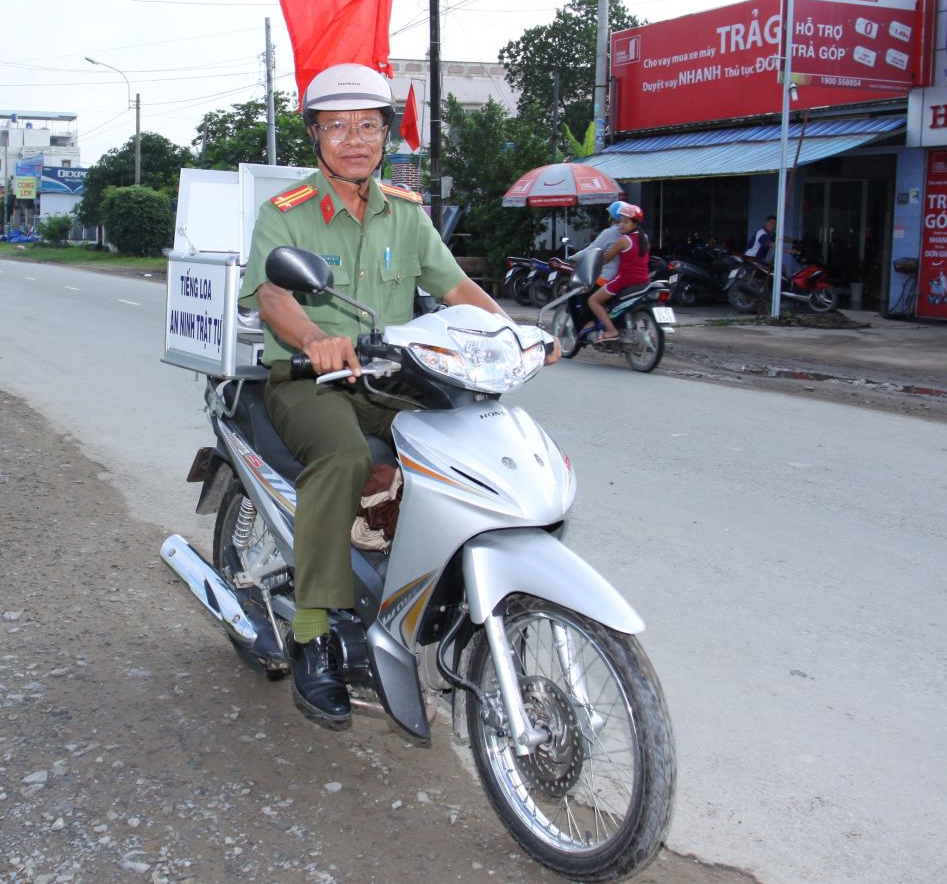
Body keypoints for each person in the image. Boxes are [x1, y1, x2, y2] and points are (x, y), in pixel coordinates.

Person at [239, 63, 557, 729]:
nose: (353, 139)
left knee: (469, 439)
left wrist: (514, 334)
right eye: (337, 126)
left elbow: (456, 289)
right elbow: (273, 295)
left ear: (386, 133)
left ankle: (429, 587)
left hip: (390, 375)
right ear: (316, 135)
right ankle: (311, 628)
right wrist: (314, 339)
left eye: (367, 125)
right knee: (344, 457)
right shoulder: (285, 212)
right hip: (310, 379)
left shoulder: (407, 216)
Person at [585, 203, 650, 341]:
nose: (621, 225)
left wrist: (593, 261)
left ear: (634, 223)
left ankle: (611, 330)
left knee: (593, 300)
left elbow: (606, 258)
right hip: (643, 279)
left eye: (626, 222)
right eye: (620, 221)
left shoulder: (623, 240)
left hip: (625, 279)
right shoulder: (644, 238)